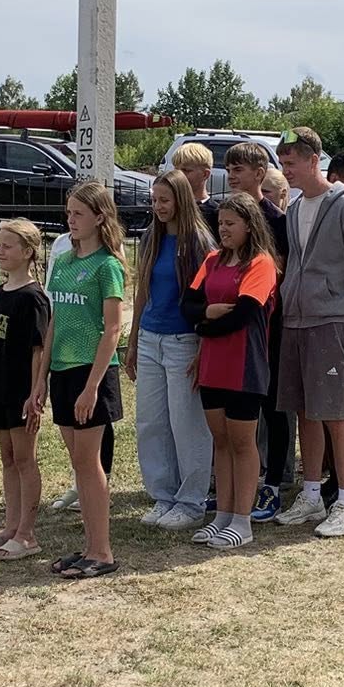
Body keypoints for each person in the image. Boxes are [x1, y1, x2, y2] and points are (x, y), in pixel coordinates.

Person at [274, 126, 344, 539]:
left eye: (291, 163)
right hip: (297, 320)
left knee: (336, 412)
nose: (286, 171)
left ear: (313, 160)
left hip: (331, 322)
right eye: (282, 164)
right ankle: (312, 493)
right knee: (306, 410)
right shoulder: (295, 208)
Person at [183, 191, 279, 550]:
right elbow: (188, 304)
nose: (222, 229)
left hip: (244, 364)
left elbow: (244, 314)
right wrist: (205, 316)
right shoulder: (212, 260)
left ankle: (242, 519)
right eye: (220, 223)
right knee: (220, 441)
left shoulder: (261, 264)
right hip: (213, 363)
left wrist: (203, 325)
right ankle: (222, 515)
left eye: (230, 223)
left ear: (249, 225)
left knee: (242, 442)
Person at [46, 182, 128, 581]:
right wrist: (40, 378)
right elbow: (54, 322)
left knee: (89, 461)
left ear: (99, 217)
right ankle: (89, 545)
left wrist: (93, 386)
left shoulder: (107, 265)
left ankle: (102, 551)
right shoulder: (63, 262)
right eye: (68, 213)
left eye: (78, 213)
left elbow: (112, 329)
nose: (71, 220)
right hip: (62, 370)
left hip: (91, 371)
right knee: (78, 462)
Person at [126, 172, 213, 531]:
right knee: (151, 422)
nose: (158, 207)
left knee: (186, 424)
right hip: (150, 338)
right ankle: (163, 495)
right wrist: (133, 339)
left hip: (183, 340)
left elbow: (207, 297)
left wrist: (202, 347)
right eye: (154, 200)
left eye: (164, 200)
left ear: (181, 199)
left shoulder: (199, 242)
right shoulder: (152, 236)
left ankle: (191, 502)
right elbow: (143, 290)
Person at [0, 218, 50, 562]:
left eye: (7, 246)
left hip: (20, 389)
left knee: (24, 457)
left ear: (28, 252)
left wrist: (35, 393)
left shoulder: (33, 298)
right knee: (7, 457)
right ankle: (10, 526)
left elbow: (38, 350)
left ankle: (26, 534)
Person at [226, 140, 292, 519]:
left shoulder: (277, 220)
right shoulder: (224, 215)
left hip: (269, 326)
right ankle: (236, 482)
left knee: (273, 407)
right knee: (238, 408)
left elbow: (281, 273)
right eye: (228, 169)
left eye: (239, 169)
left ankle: (273, 483)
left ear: (259, 174)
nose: (231, 176)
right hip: (233, 328)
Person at [170, 140, 218, 222]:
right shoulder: (170, 208)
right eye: (176, 170)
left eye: (186, 170)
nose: (179, 175)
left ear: (205, 174)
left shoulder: (216, 213)